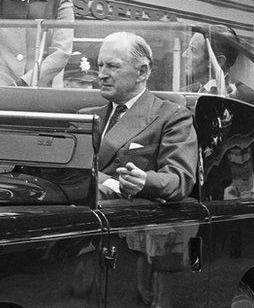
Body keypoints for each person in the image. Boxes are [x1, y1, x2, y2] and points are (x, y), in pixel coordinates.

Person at [83, 32, 197, 201]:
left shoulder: (172, 117)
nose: (102, 74)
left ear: (142, 72)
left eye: (113, 66)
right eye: (100, 65)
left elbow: (179, 179)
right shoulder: (85, 117)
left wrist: (145, 181)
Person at [181, 26, 254, 107]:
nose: (184, 54)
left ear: (218, 61)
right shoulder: (185, 92)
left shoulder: (244, 98)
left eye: (193, 50)